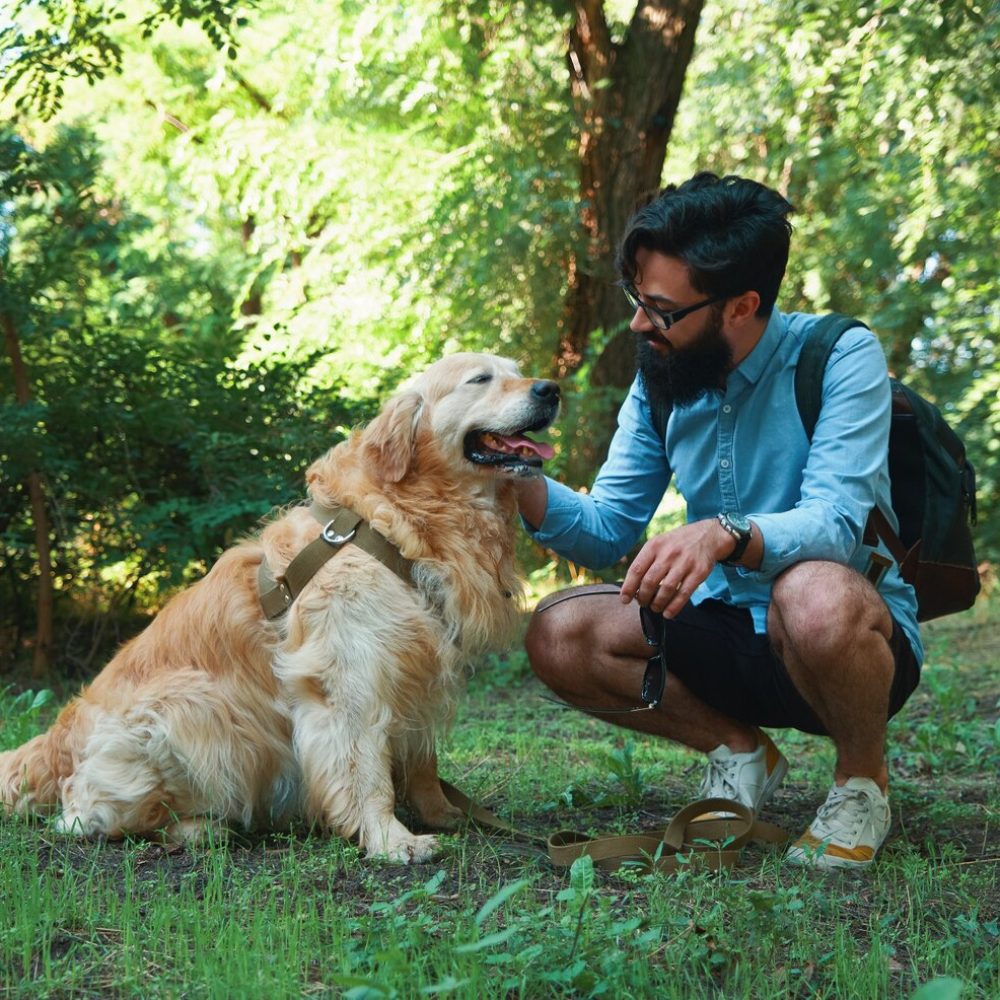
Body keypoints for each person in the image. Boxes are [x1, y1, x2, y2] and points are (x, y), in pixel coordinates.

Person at [515, 171, 922, 870]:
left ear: (742, 306)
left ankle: (862, 782)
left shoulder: (838, 356)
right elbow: (609, 526)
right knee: (559, 630)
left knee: (812, 593)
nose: (639, 325)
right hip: (723, 627)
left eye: (661, 310)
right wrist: (515, 472)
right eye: (637, 300)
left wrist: (724, 532)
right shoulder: (659, 377)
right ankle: (739, 753)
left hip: (841, 638)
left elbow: (834, 524)